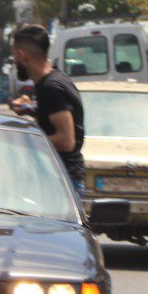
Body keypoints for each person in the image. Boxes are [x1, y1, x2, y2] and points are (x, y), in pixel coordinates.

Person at [9, 23, 86, 203]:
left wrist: (25, 140)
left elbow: (66, 141)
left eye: (14, 57)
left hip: (60, 185)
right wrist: (31, 108)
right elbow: (55, 117)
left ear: (22, 55)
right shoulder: (54, 80)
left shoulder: (51, 88)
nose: (15, 63)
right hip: (58, 181)